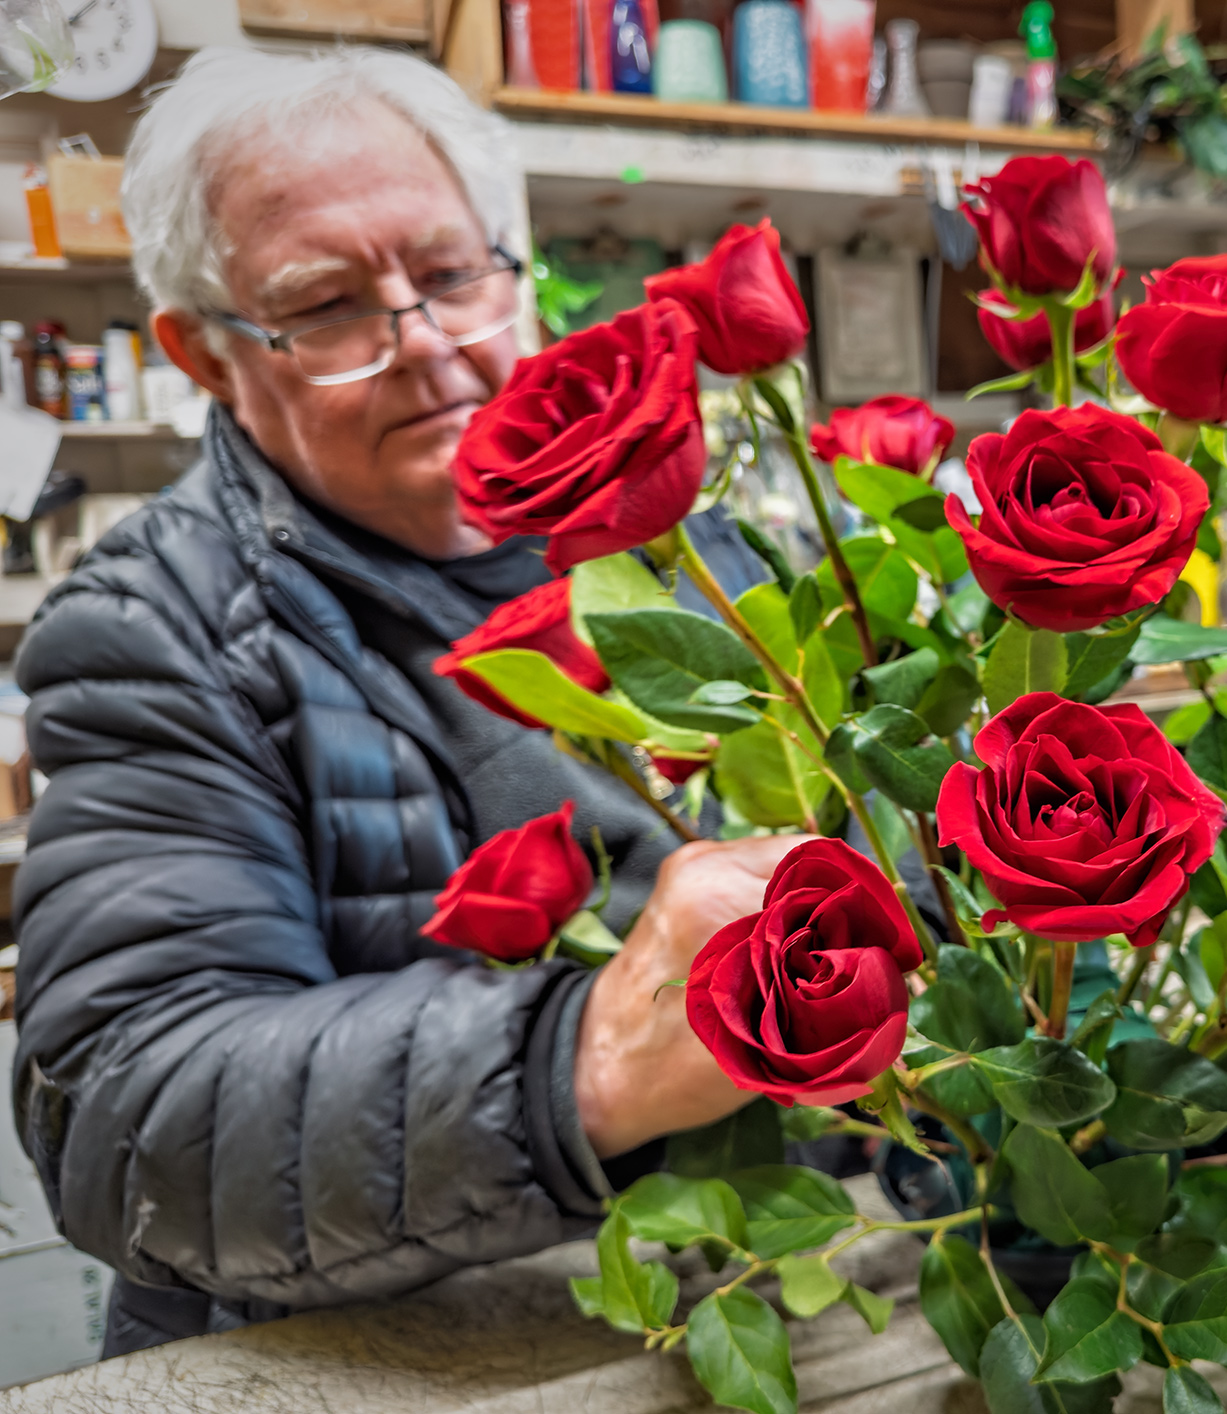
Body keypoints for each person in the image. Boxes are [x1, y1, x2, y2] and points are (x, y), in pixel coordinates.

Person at [8, 46, 782, 1356]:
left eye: (449, 275)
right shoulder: (157, 629)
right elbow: (128, 1117)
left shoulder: (697, 548)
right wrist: (576, 1059)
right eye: (327, 307)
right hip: (378, 1358)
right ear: (203, 353)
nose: (425, 344)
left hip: (729, 1310)